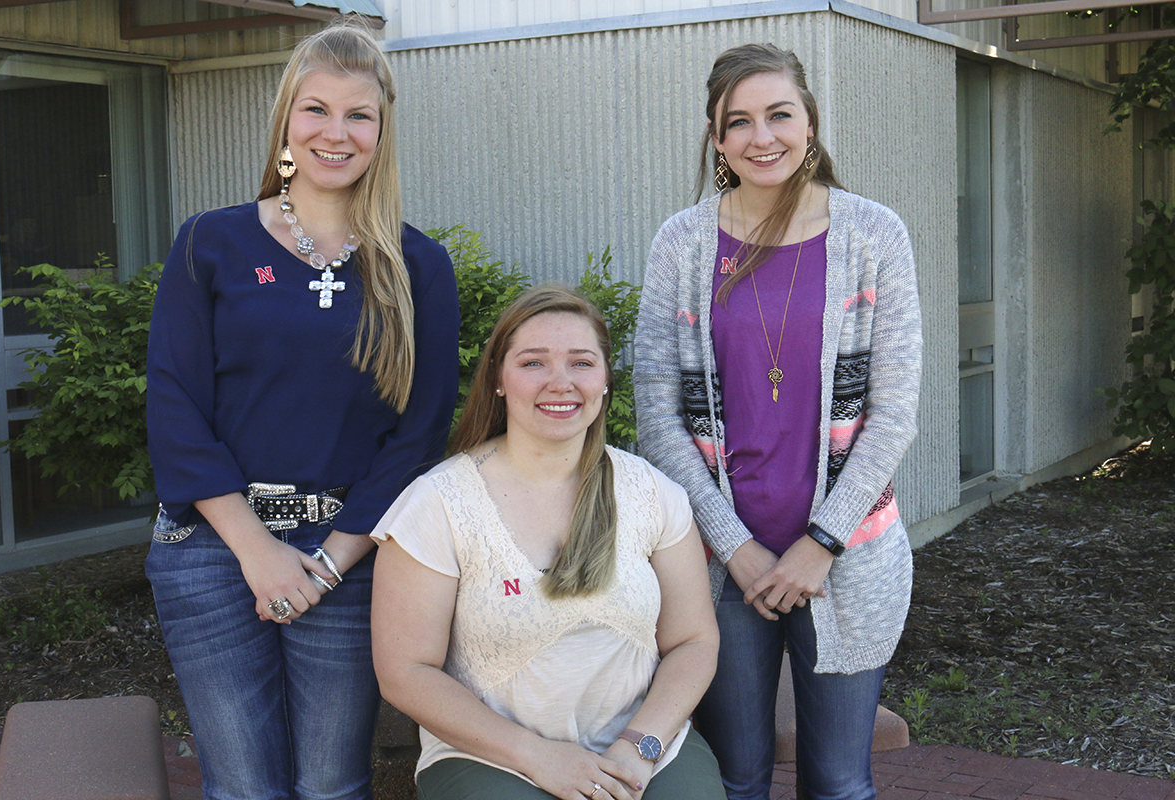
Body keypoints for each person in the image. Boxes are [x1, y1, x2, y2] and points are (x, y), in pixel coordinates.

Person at [144, 20, 459, 800]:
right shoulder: (207, 244)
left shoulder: (417, 266)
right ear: (287, 120)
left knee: (330, 785)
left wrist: (325, 564)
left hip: (347, 559)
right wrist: (257, 550)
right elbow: (175, 403)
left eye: (359, 115)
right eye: (316, 110)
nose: (336, 133)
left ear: (382, 132)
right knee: (243, 788)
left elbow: (418, 434)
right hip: (212, 548)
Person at [632, 43, 923, 800]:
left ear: (810, 124)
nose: (763, 137)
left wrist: (819, 544)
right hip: (716, 567)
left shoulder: (874, 235)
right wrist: (739, 551)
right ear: (717, 139)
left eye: (779, 114)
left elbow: (893, 414)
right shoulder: (683, 243)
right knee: (735, 779)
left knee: (838, 782)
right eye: (740, 122)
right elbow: (657, 415)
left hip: (848, 560)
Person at [370, 287, 726, 800]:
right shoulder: (439, 504)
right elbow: (405, 672)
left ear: (604, 379)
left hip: (643, 746)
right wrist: (540, 758)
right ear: (498, 378)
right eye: (533, 362)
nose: (560, 383)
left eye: (582, 362)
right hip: (492, 756)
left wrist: (638, 746)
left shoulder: (651, 492)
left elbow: (693, 641)